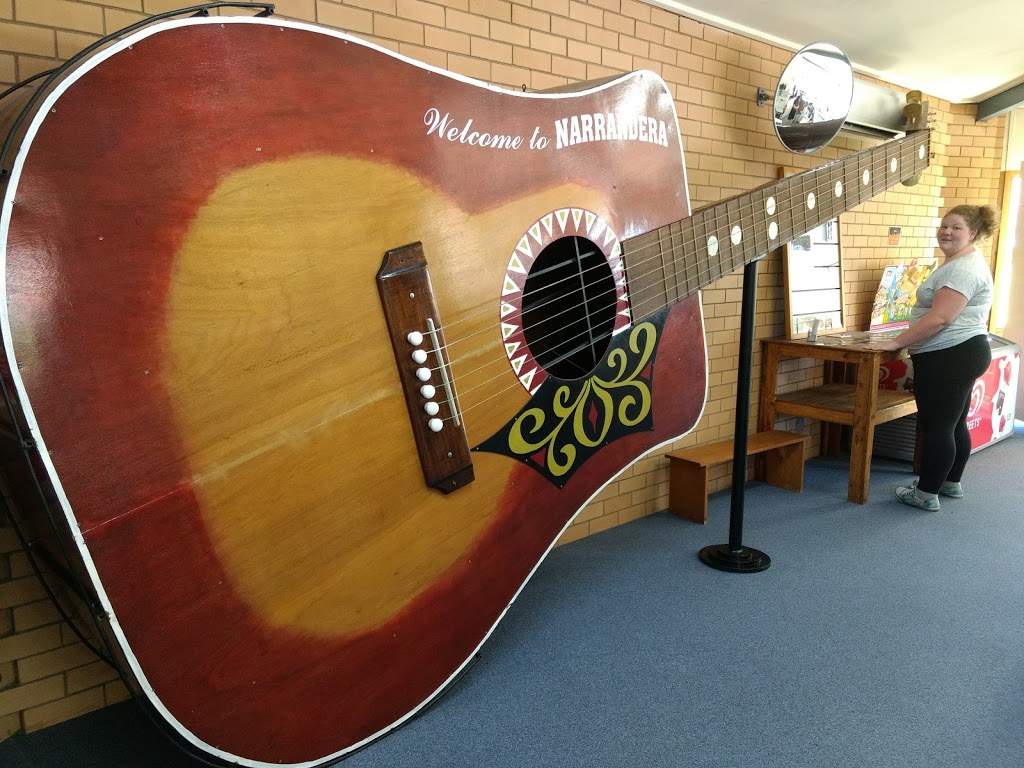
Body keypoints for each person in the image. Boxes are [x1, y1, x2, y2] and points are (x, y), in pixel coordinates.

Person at [867, 204, 998, 511]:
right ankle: (950, 483)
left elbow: (940, 318)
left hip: (950, 355)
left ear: (973, 234)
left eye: (956, 228)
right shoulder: (962, 262)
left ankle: (926, 494)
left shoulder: (962, 269)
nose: (947, 232)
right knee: (953, 423)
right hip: (963, 352)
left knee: (938, 426)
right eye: (944, 226)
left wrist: (895, 343)